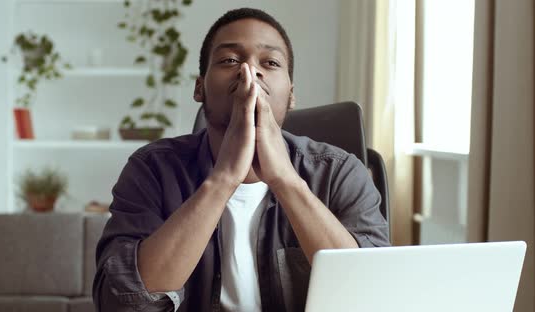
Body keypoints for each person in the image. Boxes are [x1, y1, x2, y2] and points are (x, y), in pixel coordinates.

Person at [93, 7, 389, 312]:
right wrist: (223, 179)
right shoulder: (152, 169)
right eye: (230, 60)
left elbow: (374, 296)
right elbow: (119, 303)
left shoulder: (340, 172)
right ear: (200, 87)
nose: (249, 72)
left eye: (270, 63)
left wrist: (285, 180)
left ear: (291, 94)